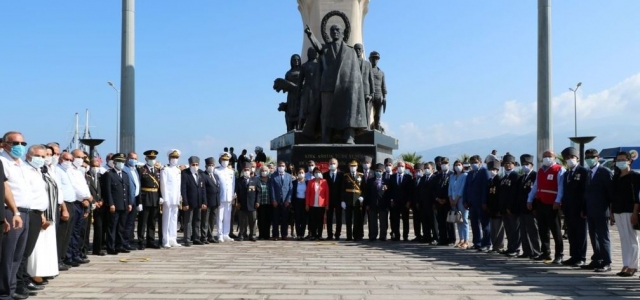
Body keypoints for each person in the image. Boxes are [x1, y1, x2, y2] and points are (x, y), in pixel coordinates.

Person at [304, 24, 367, 144]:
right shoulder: (325, 49)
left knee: (348, 111)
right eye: (332, 30)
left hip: (345, 87)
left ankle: (349, 135)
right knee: (326, 113)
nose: (335, 32)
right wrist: (310, 35)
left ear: (342, 33)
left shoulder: (350, 51)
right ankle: (325, 136)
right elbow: (318, 47)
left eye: (337, 30)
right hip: (328, 86)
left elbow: (354, 73)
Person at [15, 145, 48, 297]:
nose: (41, 159)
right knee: (22, 251)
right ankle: (18, 284)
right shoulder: (24, 170)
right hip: (26, 212)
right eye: (39, 156)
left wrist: (41, 213)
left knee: (28, 250)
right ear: (29, 156)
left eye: (43, 156)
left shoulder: (37, 171)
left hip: (36, 213)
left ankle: (23, 279)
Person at [27, 145, 62, 285]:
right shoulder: (33, 171)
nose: (46, 158)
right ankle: (33, 274)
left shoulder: (47, 171)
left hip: (51, 212)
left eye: (47, 155)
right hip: (40, 213)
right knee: (36, 246)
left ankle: (45, 271)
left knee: (47, 246)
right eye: (43, 155)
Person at [0, 131, 27, 300]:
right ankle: (4, 292)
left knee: (18, 255)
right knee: (8, 255)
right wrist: (12, 212)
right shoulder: (3, 161)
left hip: (25, 211)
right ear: (5, 144)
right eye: (16, 143)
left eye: (22, 144)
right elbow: (6, 189)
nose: (20, 147)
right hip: (11, 211)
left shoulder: (20, 163)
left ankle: (11, 288)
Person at [527, 150, 565, 264]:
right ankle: (545, 252)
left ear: (554, 157)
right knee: (543, 230)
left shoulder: (559, 169)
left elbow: (561, 187)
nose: (547, 158)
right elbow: (536, 186)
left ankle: (559, 254)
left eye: (549, 156)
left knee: (556, 230)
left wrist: (558, 201)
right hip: (541, 203)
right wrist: (529, 199)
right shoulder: (541, 170)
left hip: (552, 204)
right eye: (545, 156)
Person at [581, 148, 614, 272]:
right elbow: (586, 193)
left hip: (602, 209)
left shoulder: (605, 172)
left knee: (603, 236)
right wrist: (584, 209)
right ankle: (597, 259)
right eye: (587, 157)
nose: (589, 159)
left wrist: (611, 211)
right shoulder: (588, 172)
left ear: (597, 157)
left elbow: (611, 193)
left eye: (591, 156)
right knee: (593, 236)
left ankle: (607, 262)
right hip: (590, 209)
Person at [611, 151, 640, 277]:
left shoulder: (635, 177)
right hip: (618, 210)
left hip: (629, 210)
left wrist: (635, 213)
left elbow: (637, 197)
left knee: (632, 239)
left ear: (629, 161)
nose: (620, 162)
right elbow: (613, 196)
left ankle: (634, 265)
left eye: (623, 159)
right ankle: (626, 263)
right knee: (623, 239)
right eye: (618, 160)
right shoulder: (616, 177)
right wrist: (611, 212)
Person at [560, 147, 587, 267]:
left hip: (580, 208)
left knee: (581, 233)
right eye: (567, 158)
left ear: (577, 158)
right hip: (568, 208)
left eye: (572, 157)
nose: (570, 160)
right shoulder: (566, 174)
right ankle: (573, 255)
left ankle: (581, 257)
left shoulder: (583, 172)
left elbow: (585, 191)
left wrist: (584, 208)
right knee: (571, 233)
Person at [103, 153, 132, 255]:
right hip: (115, 205)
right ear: (114, 162)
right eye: (119, 162)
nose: (121, 164)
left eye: (123, 162)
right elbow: (108, 191)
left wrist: (129, 203)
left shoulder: (125, 174)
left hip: (124, 205)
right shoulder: (109, 174)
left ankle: (120, 245)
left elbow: (127, 190)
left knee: (121, 227)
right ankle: (111, 247)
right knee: (112, 227)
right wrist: (111, 204)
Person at [462, 155, 491, 251]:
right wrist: (465, 200)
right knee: (474, 224)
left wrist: (484, 202)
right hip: (471, 203)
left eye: (475, 162)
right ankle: (477, 242)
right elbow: (466, 188)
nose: (473, 164)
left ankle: (486, 243)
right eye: (472, 163)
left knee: (485, 225)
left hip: (481, 203)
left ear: (480, 162)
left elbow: (485, 188)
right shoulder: (470, 173)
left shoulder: (484, 172)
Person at [516, 154, 541, 259]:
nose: (525, 166)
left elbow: (536, 193)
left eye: (527, 164)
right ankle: (527, 251)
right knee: (523, 231)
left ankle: (536, 251)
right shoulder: (521, 177)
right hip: (522, 208)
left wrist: (535, 207)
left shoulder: (535, 176)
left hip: (531, 208)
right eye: (523, 164)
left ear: (532, 165)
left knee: (533, 231)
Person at [136, 150, 161, 249]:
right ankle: (141, 241)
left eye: (153, 158)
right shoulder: (141, 170)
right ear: (146, 159)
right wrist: (140, 202)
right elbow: (139, 186)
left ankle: (151, 240)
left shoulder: (157, 170)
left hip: (155, 197)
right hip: (145, 197)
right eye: (150, 158)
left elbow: (159, 186)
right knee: (143, 221)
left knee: (152, 221)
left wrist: (160, 197)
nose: (152, 160)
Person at [181, 156, 206, 246]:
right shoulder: (185, 174)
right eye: (193, 164)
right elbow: (183, 189)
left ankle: (196, 238)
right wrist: (185, 202)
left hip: (198, 202)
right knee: (188, 221)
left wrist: (204, 202)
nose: (195, 166)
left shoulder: (200, 174)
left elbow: (203, 189)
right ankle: (187, 239)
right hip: (189, 202)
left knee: (197, 220)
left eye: (196, 164)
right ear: (190, 165)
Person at [499, 153, 521, 256]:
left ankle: (515, 249)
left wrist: (510, 207)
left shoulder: (515, 176)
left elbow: (514, 194)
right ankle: (510, 247)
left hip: (512, 208)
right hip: (504, 209)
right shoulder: (503, 178)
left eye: (510, 163)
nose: (508, 165)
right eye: (506, 163)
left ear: (514, 164)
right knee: (508, 229)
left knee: (515, 229)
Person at [55, 151, 73, 271]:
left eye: (71, 160)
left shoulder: (67, 171)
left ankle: (62, 258)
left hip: (71, 203)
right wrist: (64, 208)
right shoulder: (58, 170)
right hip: (64, 204)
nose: (69, 162)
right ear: (61, 159)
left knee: (67, 234)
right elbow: (59, 190)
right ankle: (58, 260)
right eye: (67, 159)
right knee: (61, 235)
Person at [160, 149, 182, 248]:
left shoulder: (178, 170)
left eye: (176, 157)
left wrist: (179, 197)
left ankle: (173, 238)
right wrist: (165, 198)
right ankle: (166, 239)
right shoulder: (165, 169)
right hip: (168, 198)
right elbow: (163, 184)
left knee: (174, 218)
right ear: (169, 158)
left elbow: (178, 185)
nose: (175, 159)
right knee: (167, 219)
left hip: (176, 198)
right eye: (173, 157)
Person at [87, 157, 107, 256]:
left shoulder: (101, 176)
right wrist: (94, 201)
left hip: (99, 206)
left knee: (99, 228)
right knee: (86, 230)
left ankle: (97, 249)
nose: (95, 168)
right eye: (93, 166)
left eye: (97, 166)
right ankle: (84, 249)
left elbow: (104, 190)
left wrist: (101, 201)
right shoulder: (86, 176)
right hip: (90, 205)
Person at [364, 163, 389, 241]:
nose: (378, 172)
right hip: (372, 203)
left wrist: (388, 204)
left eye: (380, 171)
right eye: (377, 171)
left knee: (383, 221)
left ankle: (383, 235)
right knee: (372, 221)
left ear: (383, 171)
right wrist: (367, 204)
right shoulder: (370, 180)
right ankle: (373, 235)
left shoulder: (386, 181)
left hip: (383, 204)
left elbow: (389, 194)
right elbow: (367, 193)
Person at [235, 162, 259, 242]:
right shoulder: (239, 180)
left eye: (248, 169)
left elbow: (258, 192)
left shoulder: (255, 180)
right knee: (242, 221)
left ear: (250, 170)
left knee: (253, 221)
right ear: (242, 170)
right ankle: (241, 234)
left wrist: (257, 201)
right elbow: (236, 192)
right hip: (242, 204)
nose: (246, 171)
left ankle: (253, 235)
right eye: (245, 170)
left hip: (252, 204)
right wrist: (237, 202)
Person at [215, 152, 235, 242]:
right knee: (219, 217)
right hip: (220, 197)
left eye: (227, 160)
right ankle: (219, 234)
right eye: (223, 160)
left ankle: (226, 233)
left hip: (229, 198)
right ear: (220, 160)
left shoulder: (231, 172)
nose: (225, 161)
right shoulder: (216, 171)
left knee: (227, 216)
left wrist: (232, 196)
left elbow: (233, 184)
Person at [270, 161, 293, 240]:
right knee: (275, 219)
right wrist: (273, 200)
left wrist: (288, 200)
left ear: (285, 167)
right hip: (276, 201)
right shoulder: (273, 176)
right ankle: (275, 235)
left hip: (285, 201)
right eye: (280, 165)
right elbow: (272, 188)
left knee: (285, 219)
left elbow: (290, 189)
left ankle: (284, 234)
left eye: (283, 165)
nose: (281, 167)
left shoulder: (289, 176)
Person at [435, 157, 455, 246]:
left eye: (445, 163)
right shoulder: (437, 176)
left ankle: (451, 239)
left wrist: (446, 199)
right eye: (442, 163)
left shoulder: (452, 175)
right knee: (441, 221)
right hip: (439, 202)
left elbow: (453, 189)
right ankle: (442, 239)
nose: (443, 165)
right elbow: (434, 189)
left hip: (448, 202)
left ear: (449, 164)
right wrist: (437, 199)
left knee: (449, 222)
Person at [448, 160, 469, 248]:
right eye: (456, 165)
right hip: (452, 200)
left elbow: (462, 188)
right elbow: (449, 188)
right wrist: (450, 199)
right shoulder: (452, 176)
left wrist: (456, 199)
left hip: (461, 200)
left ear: (462, 166)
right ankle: (461, 239)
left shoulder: (465, 175)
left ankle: (466, 240)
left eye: (459, 165)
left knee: (464, 220)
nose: (457, 166)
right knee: (458, 220)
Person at [343, 160, 365, 241]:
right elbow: (342, 189)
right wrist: (342, 200)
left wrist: (362, 196)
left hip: (357, 200)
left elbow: (364, 189)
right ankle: (349, 236)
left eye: (354, 166)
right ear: (349, 167)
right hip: (348, 200)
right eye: (351, 166)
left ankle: (356, 235)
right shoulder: (345, 176)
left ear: (357, 167)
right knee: (348, 219)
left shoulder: (361, 176)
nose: (353, 167)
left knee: (357, 219)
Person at [122, 152, 140, 251]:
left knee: (130, 223)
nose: (134, 160)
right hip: (127, 200)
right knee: (125, 223)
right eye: (132, 158)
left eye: (135, 158)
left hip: (134, 199)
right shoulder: (125, 169)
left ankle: (127, 241)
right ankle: (123, 243)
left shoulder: (135, 170)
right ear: (127, 158)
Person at [354, 43, 374, 128]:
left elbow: (371, 79)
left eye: (359, 49)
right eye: (356, 49)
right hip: (355, 90)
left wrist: (372, 93)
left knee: (366, 111)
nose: (358, 51)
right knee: (355, 109)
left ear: (362, 51)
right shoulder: (352, 63)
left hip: (366, 91)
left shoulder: (367, 64)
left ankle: (367, 127)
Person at [486, 160, 504, 253]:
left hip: (497, 208)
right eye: (490, 169)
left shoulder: (499, 180)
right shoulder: (490, 180)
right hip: (491, 208)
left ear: (497, 170)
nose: (491, 171)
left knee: (498, 229)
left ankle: (499, 246)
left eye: (493, 169)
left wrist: (499, 208)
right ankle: (494, 245)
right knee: (493, 228)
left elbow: (500, 196)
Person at [323, 158, 343, 240]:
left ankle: (337, 234)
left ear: (337, 165)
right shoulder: (325, 175)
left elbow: (343, 188)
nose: (332, 165)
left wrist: (343, 200)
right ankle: (329, 234)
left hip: (339, 200)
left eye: (334, 163)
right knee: (329, 218)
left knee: (339, 218)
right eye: (331, 163)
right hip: (329, 199)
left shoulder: (342, 175)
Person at [305, 168, 328, 241]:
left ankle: (320, 235)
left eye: (318, 172)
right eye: (316, 172)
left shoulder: (324, 182)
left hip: (321, 204)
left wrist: (327, 204)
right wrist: (307, 204)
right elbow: (307, 194)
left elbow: (327, 194)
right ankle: (313, 235)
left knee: (320, 220)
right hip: (312, 204)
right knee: (313, 220)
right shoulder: (310, 182)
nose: (317, 173)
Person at [202, 157, 220, 243]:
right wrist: (204, 202)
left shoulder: (216, 176)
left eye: (212, 165)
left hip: (215, 201)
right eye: (209, 165)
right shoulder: (203, 175)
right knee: (205, 220)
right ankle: (204, 236)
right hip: (207, 202)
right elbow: (203, 190)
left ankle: (210, 235)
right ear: (206, 166)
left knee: (212, 220)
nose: (211, 167)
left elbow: (217, 189)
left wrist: (218, 201)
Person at [420, 162, 438, 245]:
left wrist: (435, 202)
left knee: (433, 222)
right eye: (425, 168)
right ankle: (426, 236)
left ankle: (435, 237)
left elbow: (435, 192)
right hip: (424, 203)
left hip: (432, 204)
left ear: (432, 169)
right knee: (425, 221)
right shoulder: (423, 178)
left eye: (428, 168)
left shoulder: (435, 178)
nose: (426, 170)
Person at [369, 51, 387, 131]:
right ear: (370, 59)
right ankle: (367, 128)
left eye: (376, 58)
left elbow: (383, 85)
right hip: (369, 94)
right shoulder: (367, 70)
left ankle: (376, 127)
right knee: (367, 113)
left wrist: (384, 97)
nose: (375, 60)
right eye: (373, 58)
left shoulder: (381, 73)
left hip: (379, 95)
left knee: (378, 115)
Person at [412, 163, 428, 242]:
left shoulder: (425, 179)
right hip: (415, 203)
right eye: (416, 171)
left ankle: (426, 235)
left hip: (423, 204)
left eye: (420, 170)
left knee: (424, 221)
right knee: (416, 220)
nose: (418, 172)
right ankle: (417, 235)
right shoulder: (413, 180)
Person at [256, 165, 272, 240]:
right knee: (261, 219)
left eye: (265, 170)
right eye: (262, 170)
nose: (264, 172)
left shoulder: (270, 179)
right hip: (260, 203)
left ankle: (267, 234)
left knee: (268, 219)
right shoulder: (257, 179)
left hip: (269, 203)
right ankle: (261, 234)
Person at [292, 168, 308, 240]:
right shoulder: (294, 182)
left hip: (305, 201)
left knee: (304, 219)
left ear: (304, 174)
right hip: (297, 201)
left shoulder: (307, 182)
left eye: (302, 172)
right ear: (297, 174)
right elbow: (292, 193)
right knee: (297, 219)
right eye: (299, 172)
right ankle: (298, 234)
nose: (301, 174)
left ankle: (302, 234)